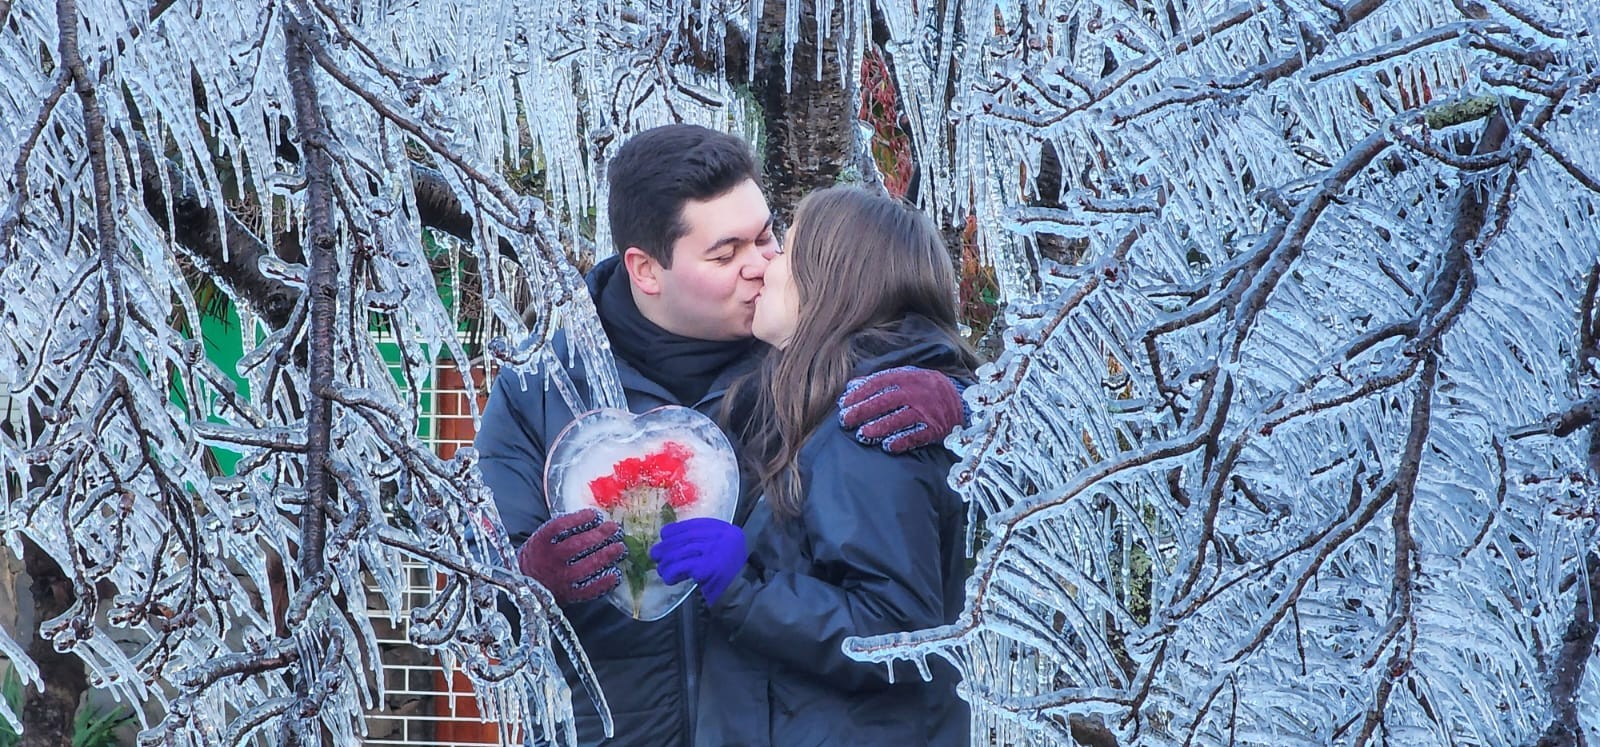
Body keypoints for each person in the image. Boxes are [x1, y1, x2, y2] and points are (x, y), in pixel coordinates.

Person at [474, 125, 966, 746]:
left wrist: (962, 403)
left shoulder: (809, 363)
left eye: (767, 236)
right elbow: (473, 605)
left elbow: (911, 343)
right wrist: (525, 579)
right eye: (725, 252)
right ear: (646, 270)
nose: (760, 265)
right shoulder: (540, 390)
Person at [649, 185, 978, 746]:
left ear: (833, 283)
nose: (767, 264)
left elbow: (897, 632)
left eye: (787, 249)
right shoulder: (820, 406)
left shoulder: (874, 424)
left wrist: (743, 590)